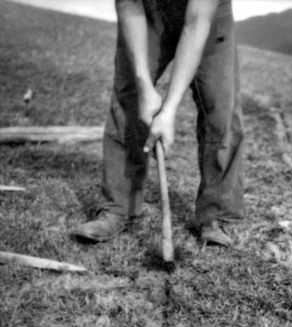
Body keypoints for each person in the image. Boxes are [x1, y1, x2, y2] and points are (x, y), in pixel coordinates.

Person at [73, 0, 245, 247]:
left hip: (208, 15)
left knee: (220, 105)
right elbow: (129, 6)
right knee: (128, 96)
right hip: (148, 11)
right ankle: (119, 206)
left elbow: (195, 24)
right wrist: (144, 88)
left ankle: (218, 213)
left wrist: (169, 108)